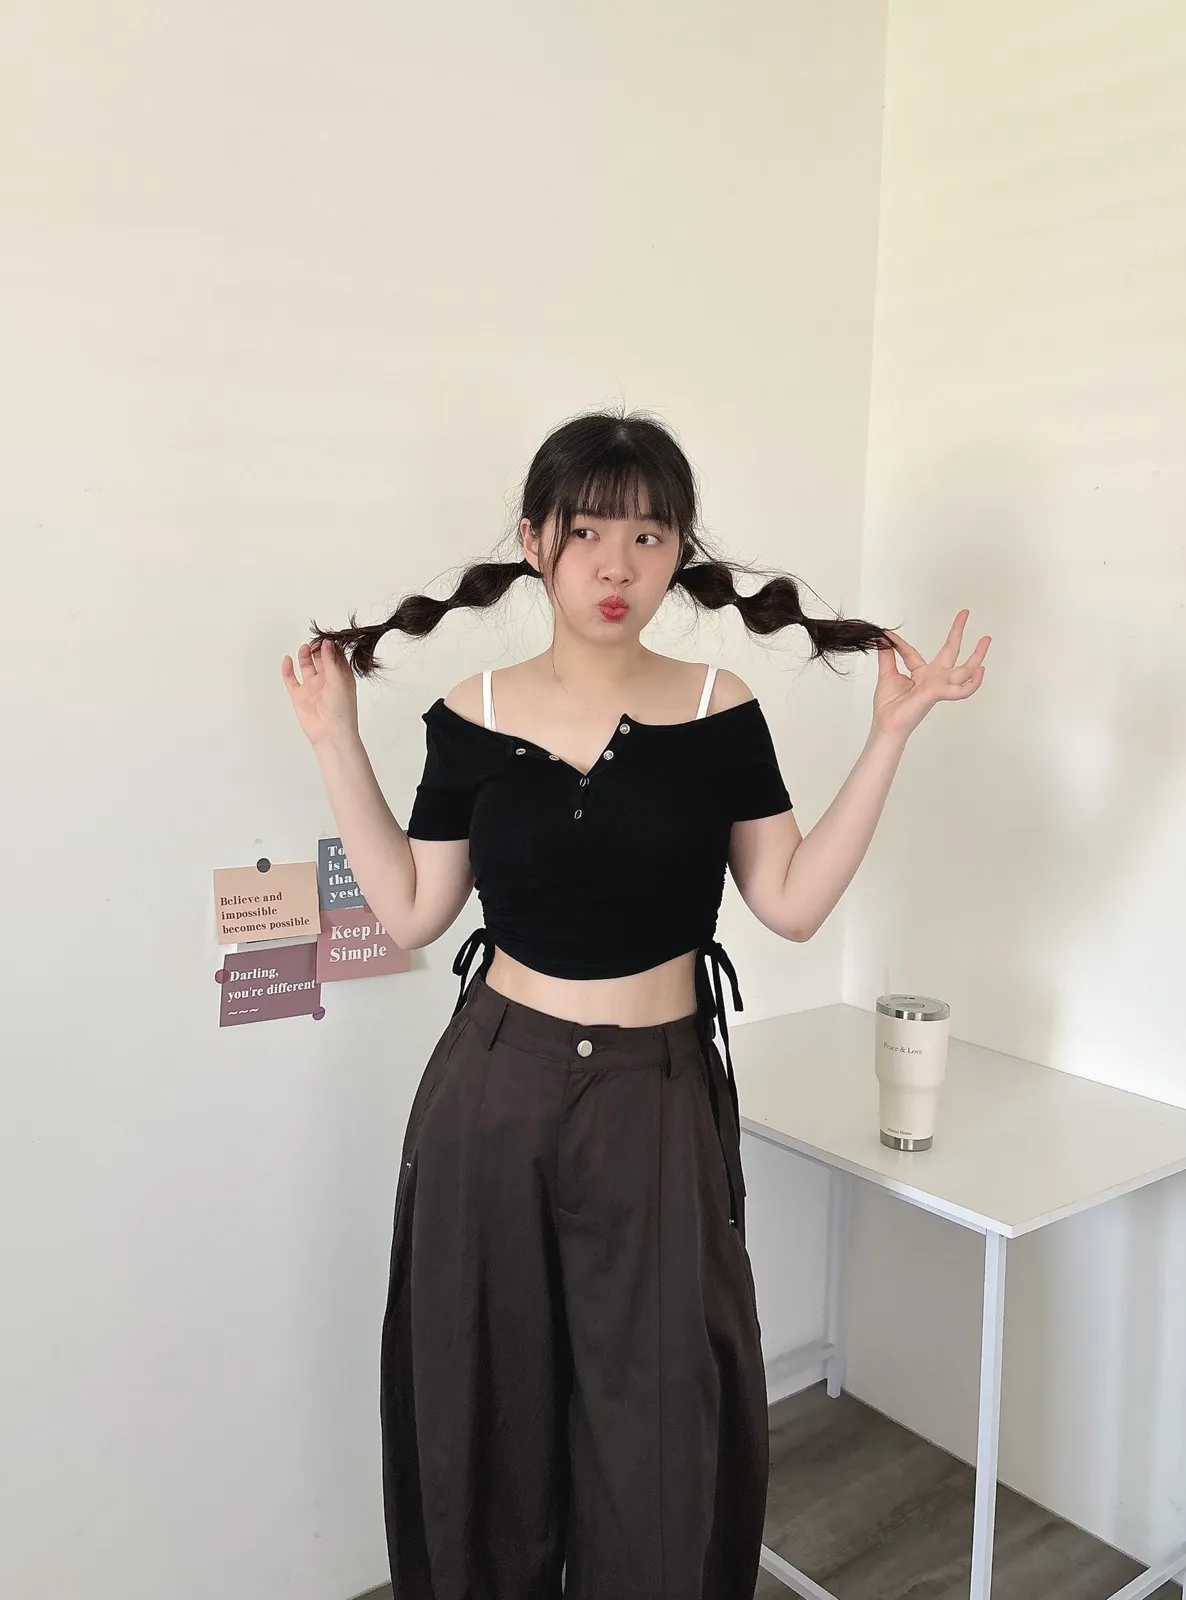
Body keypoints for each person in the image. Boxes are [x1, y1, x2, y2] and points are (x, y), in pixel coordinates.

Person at [281, 409, 989, 1600]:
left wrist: (889, 736)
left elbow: (790, 901)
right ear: (535, 541)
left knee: (661, 1419)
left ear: (678, 553)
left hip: (657, 1094)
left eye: (650, 535)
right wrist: (334, 740)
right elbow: (410, 911)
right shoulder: (470, 714)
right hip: (493, 1089)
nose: (617, 564)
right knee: (484, 1400)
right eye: (588, 531)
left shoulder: (720, 710)